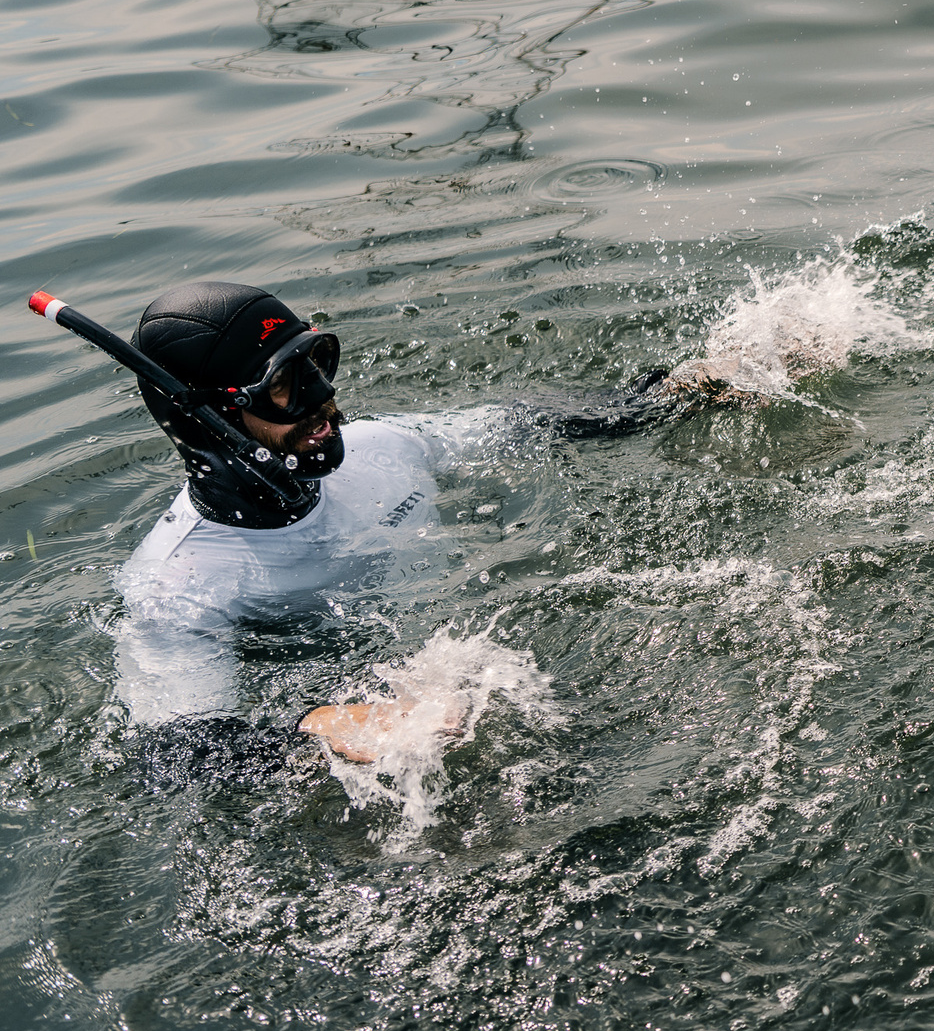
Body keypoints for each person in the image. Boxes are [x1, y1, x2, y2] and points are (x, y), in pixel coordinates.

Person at [93, 280, 670, 777]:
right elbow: (174, 756)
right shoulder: (179, 586)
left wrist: (678, 391)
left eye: (318, 363)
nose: (325, 398)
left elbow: (527, 422)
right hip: (353, 734)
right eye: (283, 385)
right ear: (211, 421)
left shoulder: (383, 448)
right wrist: (316, 729)